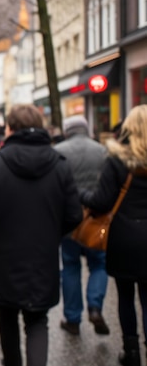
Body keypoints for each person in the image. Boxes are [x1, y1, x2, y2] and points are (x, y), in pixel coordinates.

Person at [0, 104, 83, 366]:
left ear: (9, 128)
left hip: (4, 254)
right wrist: (51, 232)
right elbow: (74, 214)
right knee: (38, 320)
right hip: (43, 255)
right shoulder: (60, 165)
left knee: (7, 316)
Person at [81, 105, 147, 366]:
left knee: (126, 296)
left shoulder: (117, 161)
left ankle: (131, 352)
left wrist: (81, 195)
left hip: (124, 237)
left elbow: (101, 201)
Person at [53, 115, 110, 336]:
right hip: (96, 218)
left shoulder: (58, 151)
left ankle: (73, 318)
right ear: (86, 129)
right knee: (99, 264)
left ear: (67, 130)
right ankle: (95, 307)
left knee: (70, 265)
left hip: (69, 219)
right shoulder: (102, 150)